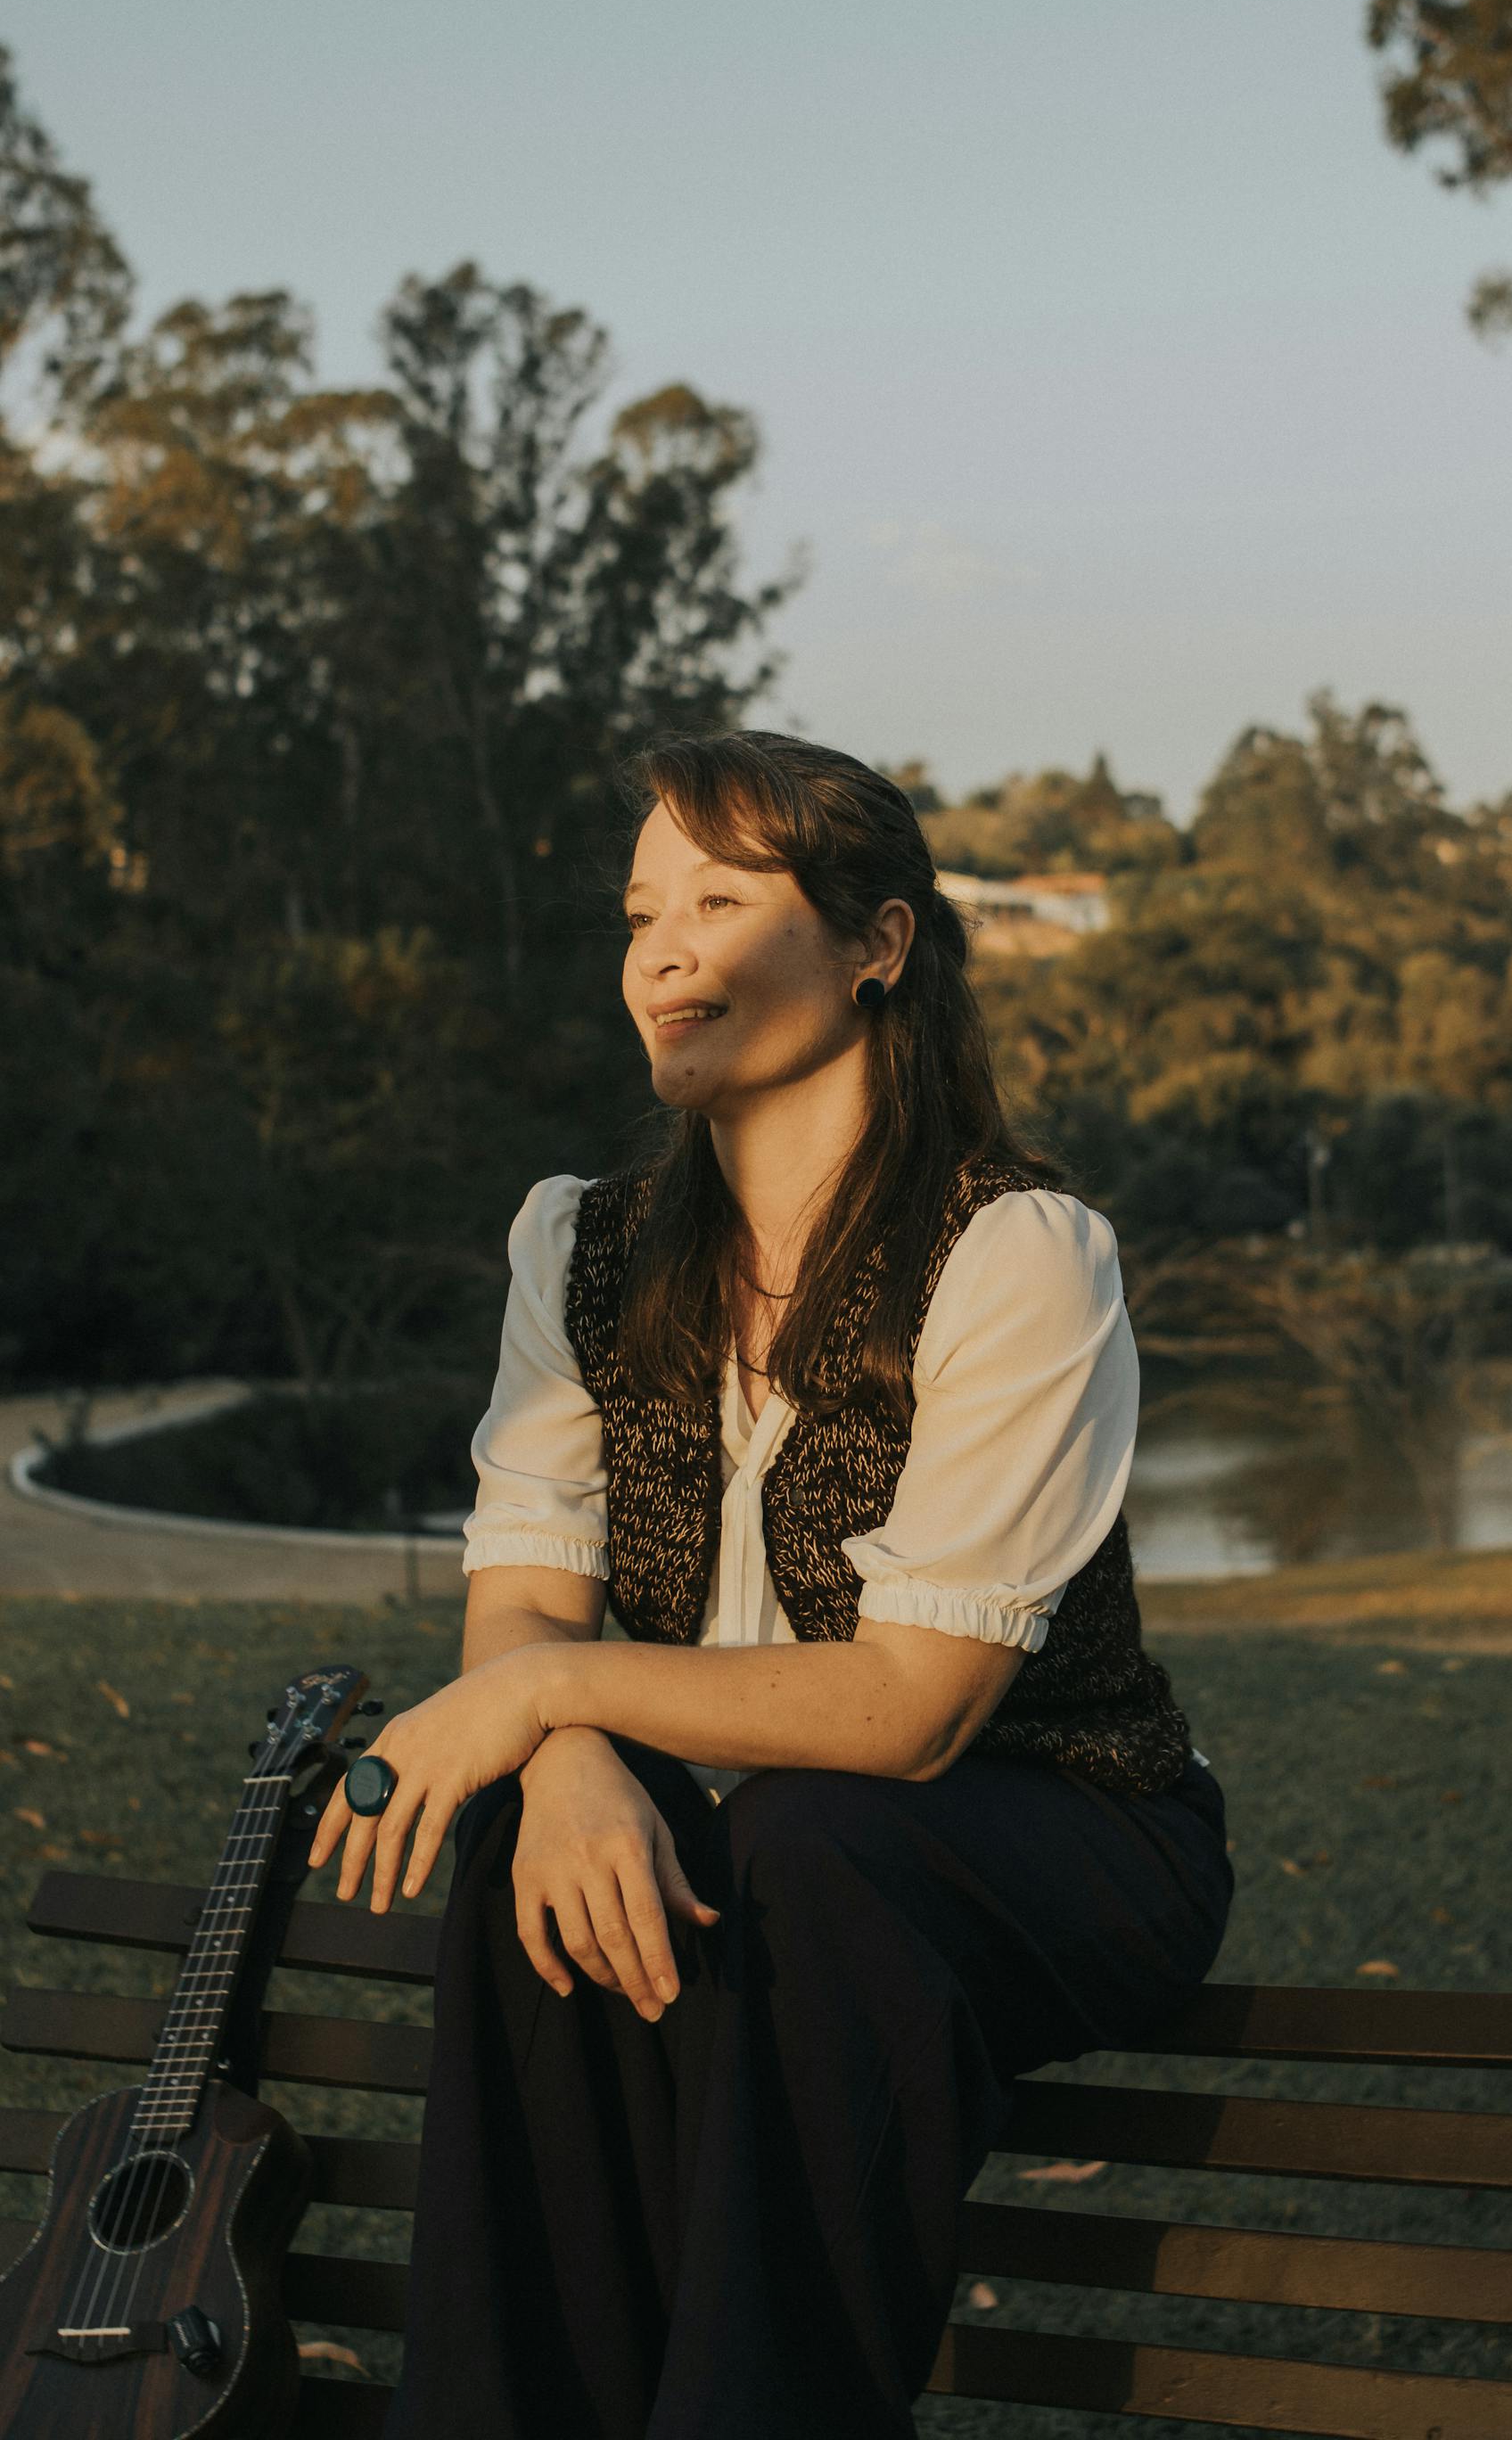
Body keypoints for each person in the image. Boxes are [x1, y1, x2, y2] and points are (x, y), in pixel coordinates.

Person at [309, 727, 1234, 2440]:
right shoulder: (579, 1247)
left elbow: (906, 1705)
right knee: (550, 1845)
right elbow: (530, 1586)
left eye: (722, 901)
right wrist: (567, 1756)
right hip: (756, 1844)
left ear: (879, 943)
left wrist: (541, 1697)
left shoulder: (1012, 1252)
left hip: (1056, 1826)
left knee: (816, 1848)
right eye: (642, 911)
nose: (662, 949)